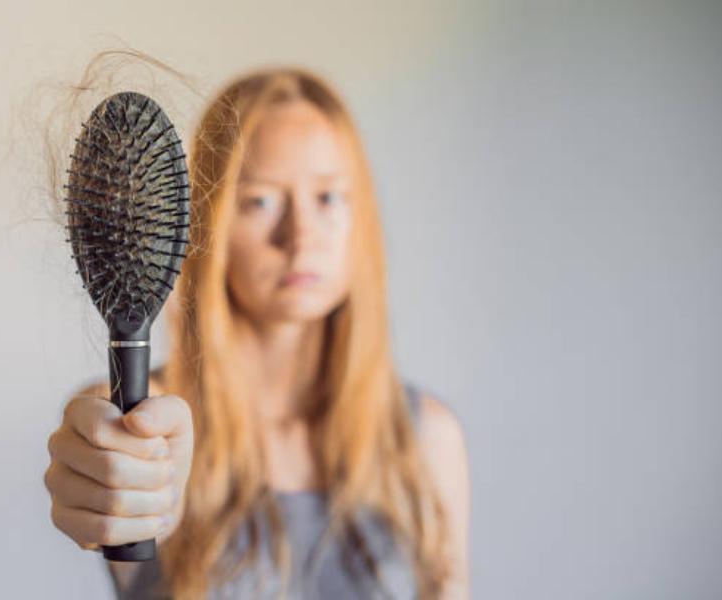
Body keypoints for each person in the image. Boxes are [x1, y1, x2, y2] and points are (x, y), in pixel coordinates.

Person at [44, 64, 471, 599]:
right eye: (260, 200)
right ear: (202, 226)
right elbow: (112, 488)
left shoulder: (427, 438)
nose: (300, 236)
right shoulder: (138, 419)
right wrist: (112, 484)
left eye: (329, 197)